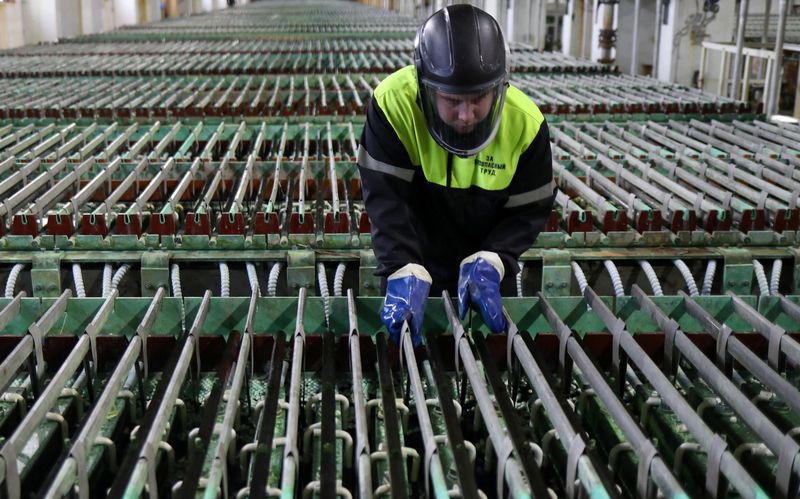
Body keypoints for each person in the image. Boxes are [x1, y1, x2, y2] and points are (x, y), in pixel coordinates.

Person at [357, 4, 555, 345]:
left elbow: (529, 210)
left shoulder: (526, 124)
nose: (466, 115)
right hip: (412, 259)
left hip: (485, 272)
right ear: (425, 88)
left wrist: (496, 257)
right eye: (452, 100)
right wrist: (401, 265)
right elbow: (386, 198)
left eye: (479, 98)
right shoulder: (393, 105)